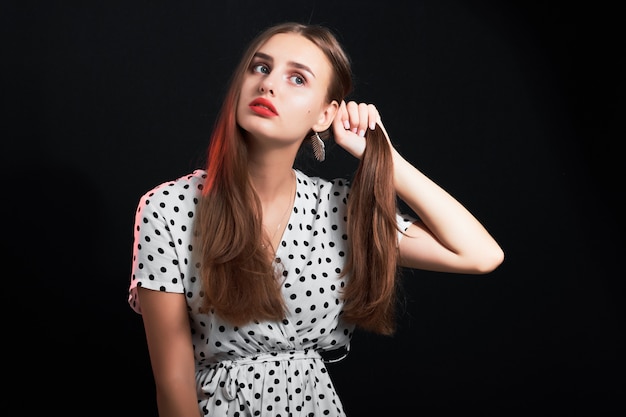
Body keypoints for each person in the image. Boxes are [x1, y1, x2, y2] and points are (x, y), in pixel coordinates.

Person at [128, 21, 504, 417]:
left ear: (326, 114)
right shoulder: (169, 207)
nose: (269, 84)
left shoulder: (338, 208)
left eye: (297, 78)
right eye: (260, 67)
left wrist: (384, 157)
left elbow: (479, 254)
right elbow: (173, 386)